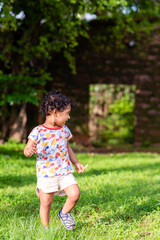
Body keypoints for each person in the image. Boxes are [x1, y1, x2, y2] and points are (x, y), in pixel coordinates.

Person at [24, 90, 87, 230]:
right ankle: (45, 229)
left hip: (64, 170)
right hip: (46, 173)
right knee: (46, 201)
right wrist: (29, 151)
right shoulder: (37, 131)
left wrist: (76, 162)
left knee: (75, 194)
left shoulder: (64, 129)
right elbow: (27, 149)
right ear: (55, 112)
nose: (69, 117)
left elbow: (67, 147)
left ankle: (64, 213)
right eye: (67, 113)